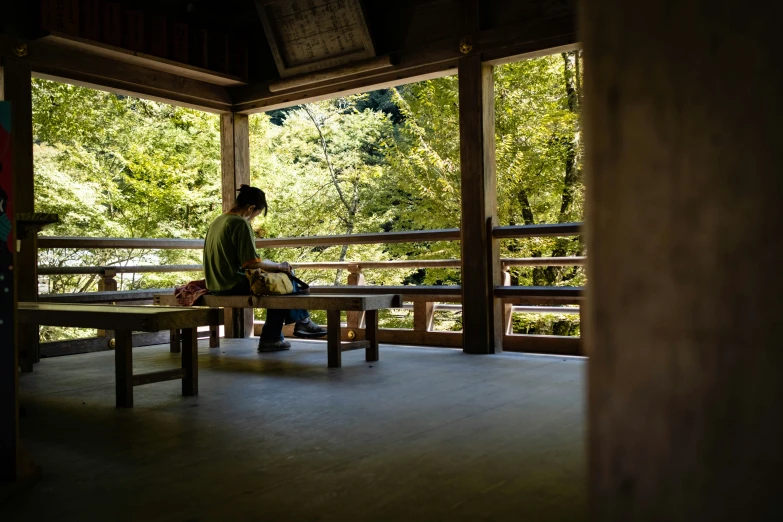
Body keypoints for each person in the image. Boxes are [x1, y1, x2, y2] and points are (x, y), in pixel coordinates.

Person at [203, 184, 326, 351]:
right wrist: (278, 266)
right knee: (282, 281)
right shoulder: (240, 223)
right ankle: (279, 334)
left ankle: (298, 323)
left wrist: (273, 267)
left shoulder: (218, 221)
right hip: (232, 283)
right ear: (251, 208)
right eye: (255, 215)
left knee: (278, 278)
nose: (252, 219)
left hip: (215, 282)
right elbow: (251, 263)